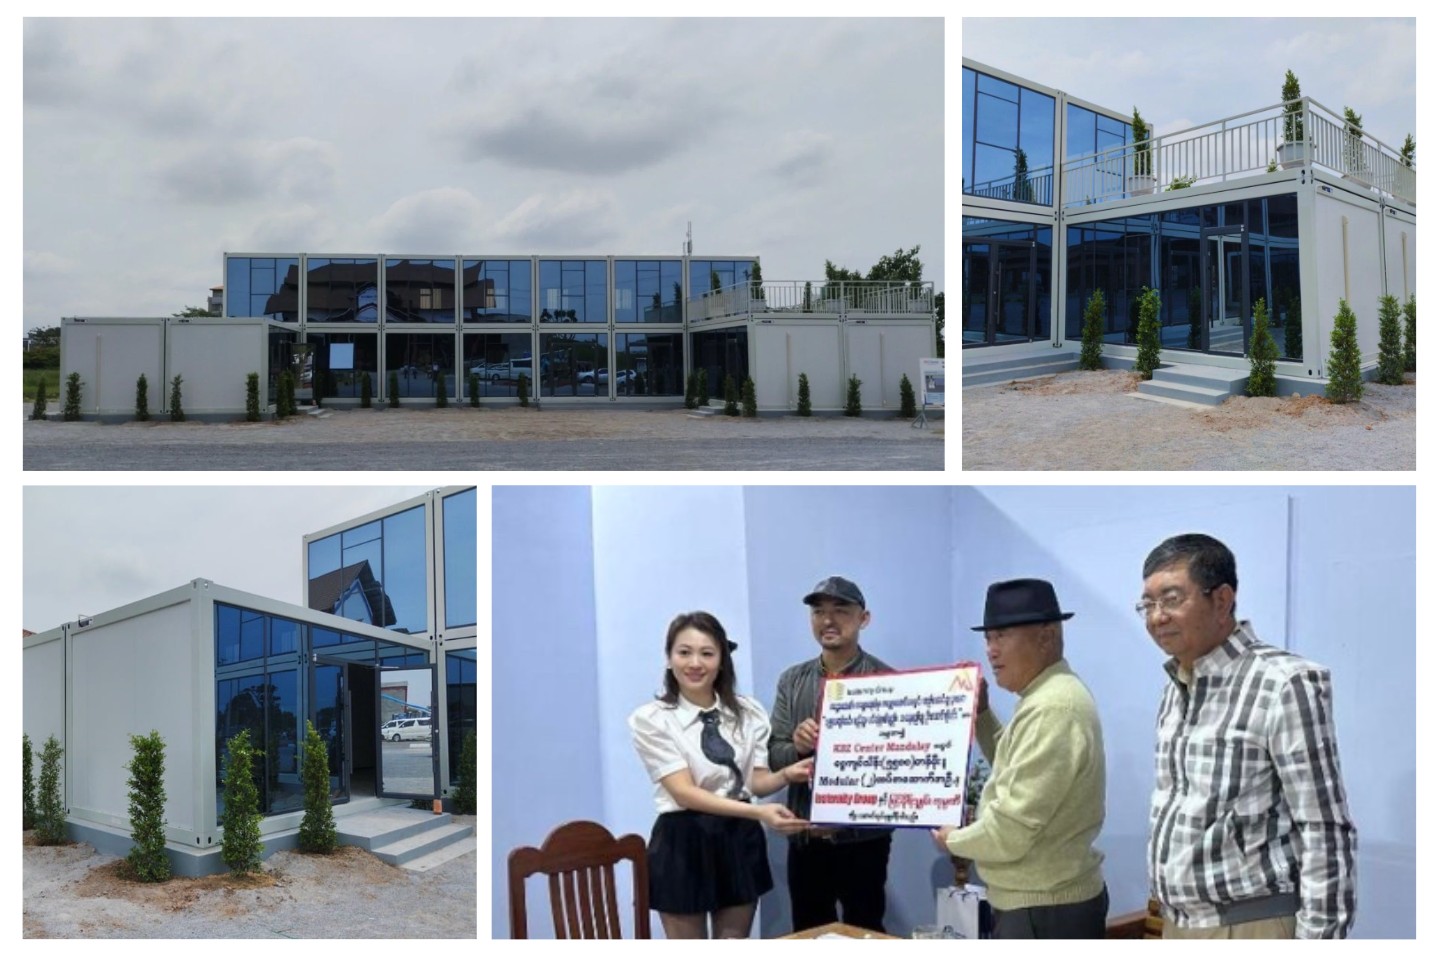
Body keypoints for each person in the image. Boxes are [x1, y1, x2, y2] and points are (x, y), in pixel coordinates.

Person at [1140, 534, 1356, 939]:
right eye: (1148, 604)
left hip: (1249, 925)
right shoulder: (1176, 686)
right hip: (1178, 924)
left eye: (1170, 599)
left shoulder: (1284, 683)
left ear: (1222, 600)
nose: (1156, 617)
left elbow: (1324, 828)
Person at [931, 578, 1109, 939]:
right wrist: (981, 714)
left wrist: (954, 840)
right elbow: (1016, 769)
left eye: (1002, 636)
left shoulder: (1052, 707)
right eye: (988, 638)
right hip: (1042, 903)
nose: (991, 651)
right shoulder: (1046, 696)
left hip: (1044, 910)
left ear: (1045, 636)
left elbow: (1010, 831)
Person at [628, 612, 813, 939]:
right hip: (682, 839)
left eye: (707, 653)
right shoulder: (651, 719)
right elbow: (683, 792)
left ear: (722, 661)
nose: (695, 663)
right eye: (684, 652)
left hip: (738, 838)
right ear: (669, 659)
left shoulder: (748, 712)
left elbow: (755, 782)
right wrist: (759, 812)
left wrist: (787, 773)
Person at [768, 576, 894, 934]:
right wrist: (797, 746)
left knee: (866, 932)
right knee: (808, 935)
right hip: (807, 837)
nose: (828, 620)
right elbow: (775, 757)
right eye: (819, 612)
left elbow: (900, 763)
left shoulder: (887, 680)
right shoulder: (792, 681)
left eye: (840, 611)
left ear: (863, 618)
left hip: (865, 840)